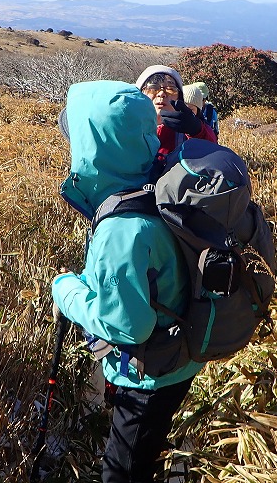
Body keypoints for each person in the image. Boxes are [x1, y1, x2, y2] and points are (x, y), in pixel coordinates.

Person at [52, 80, 205, 483]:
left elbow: (127, 325)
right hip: (179, 356)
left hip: (150, 374)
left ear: (92, 148)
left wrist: (66, 291)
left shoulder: (121, 228)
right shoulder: (157, 181)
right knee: (146, 446)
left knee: (122, 471)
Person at [134, 65, 216, 159]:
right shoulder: (127, 126)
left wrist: (197, 132)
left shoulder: (190, 130)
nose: (161, 94)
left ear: (179, 97)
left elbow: (214, 156)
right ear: (140, 94)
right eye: (153, 88)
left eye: (170, 89)